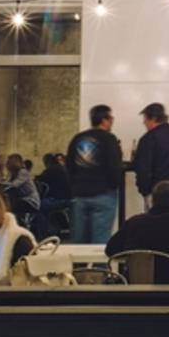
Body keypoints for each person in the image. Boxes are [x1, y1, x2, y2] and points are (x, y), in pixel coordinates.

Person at [66, 104, 124, 244]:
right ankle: (98, 267)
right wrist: (115, 185)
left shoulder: (77, 139)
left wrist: (75, 187)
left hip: (79, 195)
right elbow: (114, 167)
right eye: (110, 118)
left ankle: (79, 266)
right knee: (100, 244)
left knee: (78, 243)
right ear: (104, 120)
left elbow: (69, 167)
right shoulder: (109, 139)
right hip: (103, 194)